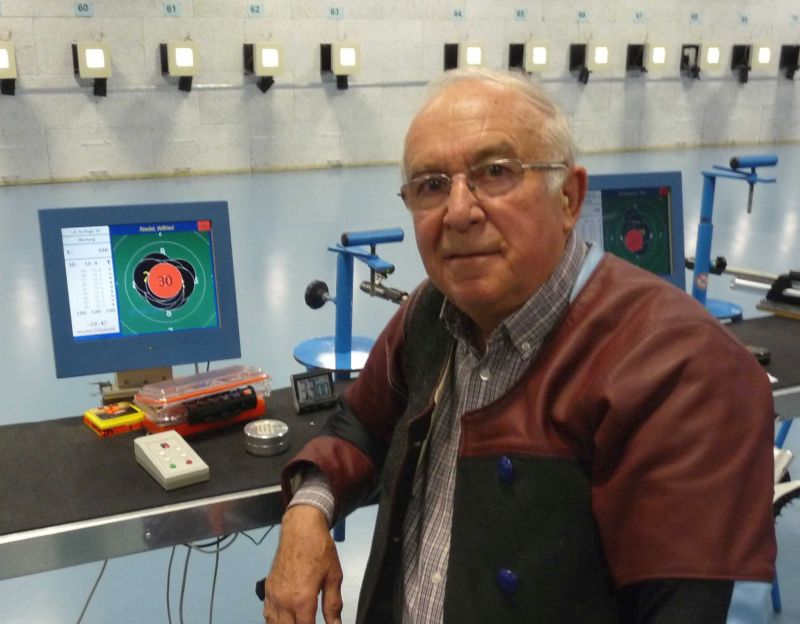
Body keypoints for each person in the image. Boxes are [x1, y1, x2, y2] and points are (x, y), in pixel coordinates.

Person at [263, 68, 776, 624]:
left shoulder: (679, 368)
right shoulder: (432, 313)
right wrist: (308, 511)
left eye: (495, 172)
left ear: (569, 197)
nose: (459, 211)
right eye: (432, 185)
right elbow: (364, 425)